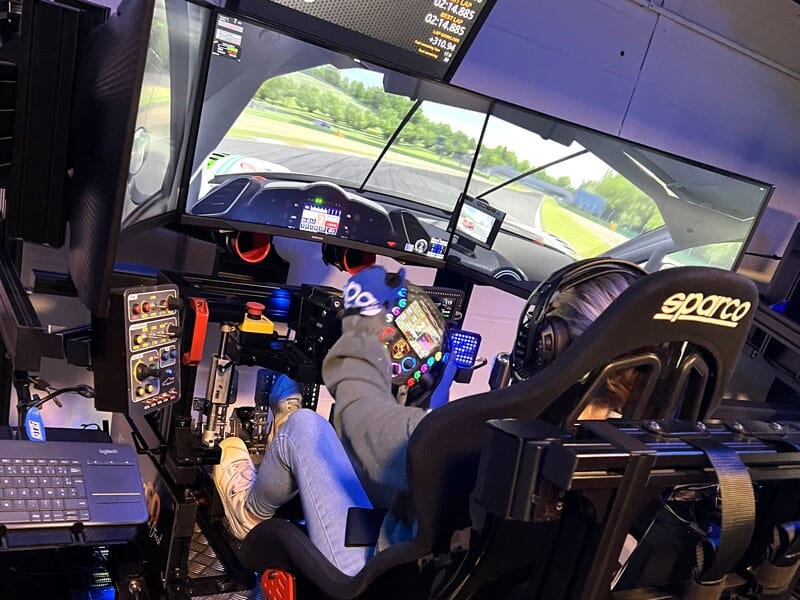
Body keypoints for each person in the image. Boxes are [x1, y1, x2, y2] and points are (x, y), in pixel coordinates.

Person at [212, 264, 641, 576]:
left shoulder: (481, 437)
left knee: (306, 427)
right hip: (453, 575)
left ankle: (249, 511)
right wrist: (440, 400)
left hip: (378, 578)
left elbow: (363, 428)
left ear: (546, 343)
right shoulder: (644, 465)